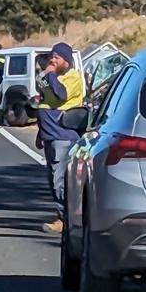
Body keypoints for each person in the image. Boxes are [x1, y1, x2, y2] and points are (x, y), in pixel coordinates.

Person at [36, 42, 84, 234]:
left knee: (60, 179)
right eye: (51, 57)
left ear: (67, 60)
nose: (53, 60)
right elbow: (47, 102)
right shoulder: (55, 77)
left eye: (57, 57)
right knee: (53, 178)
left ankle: (66, 219)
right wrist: (41, 133)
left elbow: (60, 94)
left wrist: (49, 74)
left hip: (63, 135)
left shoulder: (72, 78)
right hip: (50, 135)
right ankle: (63, 215)